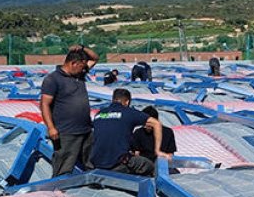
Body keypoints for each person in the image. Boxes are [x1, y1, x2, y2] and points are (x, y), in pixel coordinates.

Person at [40, 45, 98, 176]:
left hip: (85, 129)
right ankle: (59, 188)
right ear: (73, 63)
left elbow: (95, 58)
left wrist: (82, 48)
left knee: (90, 161)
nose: (84, 69)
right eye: (81, 67)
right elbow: (45, 104)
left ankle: (93, 182)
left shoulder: (80, 74)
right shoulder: (53, 79)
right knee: (63, 164)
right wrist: (51, 127)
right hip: (66, 131)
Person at [90, 89, 162, 176]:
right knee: (149, 165)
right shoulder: (129, 112)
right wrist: (157, 150)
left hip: (96, 163)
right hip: (118, 164)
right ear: (127, 102)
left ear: (112, 99)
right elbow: (156, 123)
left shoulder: (99, 114)